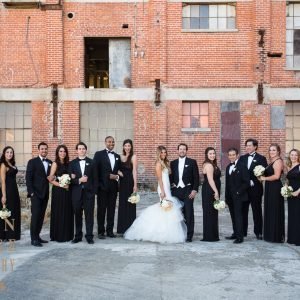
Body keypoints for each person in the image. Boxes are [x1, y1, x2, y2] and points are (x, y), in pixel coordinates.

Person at [124, 146, 187, 243]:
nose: (164, 154)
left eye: (165, 152)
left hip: (167, 187)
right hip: (163, 188)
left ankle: (167, 231)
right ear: (158, 153)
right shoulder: (158, 164)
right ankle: (161, 232)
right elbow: (160, 179)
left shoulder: (165, 163)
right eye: (161, 152)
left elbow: (166, 177)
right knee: (166, 206)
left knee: (167, 208)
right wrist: (162, 191)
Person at [69, 142, 97, 244]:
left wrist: (93, 192)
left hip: (89, 194)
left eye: (83, 148)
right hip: (76, 194)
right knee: (77, 215)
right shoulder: (72, 163)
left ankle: (89, 236)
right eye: (79, 149)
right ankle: (78, 236)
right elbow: (70, 180)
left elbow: (95, 178)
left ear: (86, 150)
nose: (81, 150)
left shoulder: (92, 162)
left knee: (89, 215)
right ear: (77, 150)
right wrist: (79, 180)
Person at [170, 143, 199, 242]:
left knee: (189, 212)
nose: (182, 151)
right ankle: (179, 233)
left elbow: (196, 177)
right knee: (177, 213)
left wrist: (194, 190)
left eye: (184, 149)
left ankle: (189, 235)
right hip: (176, 191)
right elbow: (171, 176)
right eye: (180, 149)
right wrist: (171, 184)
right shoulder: (173, 163)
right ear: (177, 150)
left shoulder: (192, 162)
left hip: (188, 190)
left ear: (186, 151)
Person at [239, 138, 267, 240]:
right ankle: (242, 232)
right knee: (243, 211)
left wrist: (254, 180)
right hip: (244, 190)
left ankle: (258, 232)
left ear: (255, 146)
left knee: (257, 211)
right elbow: (239, 172)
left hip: (256, 189)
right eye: (246, 146)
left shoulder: (261, 158)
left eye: (250, 145)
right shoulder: (242, 158)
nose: (247, 147)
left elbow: (264, 173)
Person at [93, 136, 120, 239]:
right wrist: (98, 185)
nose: (111, 143)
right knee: (101, 210)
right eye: (109, 142)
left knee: (112, 210)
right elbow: (95, 171)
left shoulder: (117, 156)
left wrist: (117, 177)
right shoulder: (99, 154)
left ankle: (110, 231)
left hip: (113, 188)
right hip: (102, 188)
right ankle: (100, 231)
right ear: (105, 143)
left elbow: (119, 171)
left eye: (113, 142)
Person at [26, 142, 52, 247]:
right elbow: (28, 178)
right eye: (42, 149)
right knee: (35, 216)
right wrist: (31, 192)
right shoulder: (32, 162)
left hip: (45, 193)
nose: (44, 150)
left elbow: (51, 176)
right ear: (38, 150)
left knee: (41, 216)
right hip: (35, 194)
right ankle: (33, 239)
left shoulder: (50, 162)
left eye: (45, 149)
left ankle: (38, 236)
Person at [48, 145, 74, 242]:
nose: (62, 153)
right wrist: (61, 185)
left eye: (64, 151)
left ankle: (67, 235)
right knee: (59, 211)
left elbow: (71, 176)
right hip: (58, 191)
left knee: (67, 211)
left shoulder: (69, 164)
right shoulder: (55, 164)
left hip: (68, 191)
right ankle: (58, 235)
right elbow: (50, 179)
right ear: (57, 153)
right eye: (60, 151)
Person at [260, 143, 284, 243]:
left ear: (278, 151)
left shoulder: (278, 161)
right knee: (269, 209)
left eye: (274, 150)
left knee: (274, 210)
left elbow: (277, 176)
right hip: (270, 187)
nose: (272, 152)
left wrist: (264, 178)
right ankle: (269, 234)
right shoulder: (272, 161)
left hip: (275, 187)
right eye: (270, 150)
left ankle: (275, 236)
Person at [225, 148, 250, 244]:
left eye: (233, 154)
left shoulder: (242, 166)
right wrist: (227, 197)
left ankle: (240, 237)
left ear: (237, 155)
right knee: (233, 215)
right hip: (230, 197)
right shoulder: (228, 167)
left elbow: (246, 182)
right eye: (230, 155)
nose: (231, 156)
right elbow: (227, 184)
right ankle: (235, 233)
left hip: (240, 196)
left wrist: (238, 192)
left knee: (239, 216)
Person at [117, 139, 138, 235]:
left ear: (131, 147)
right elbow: (114, 168)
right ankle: (122, 229)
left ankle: (131, 229)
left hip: (130, 181)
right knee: (122, 204)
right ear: (123, 146)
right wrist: (118, 172)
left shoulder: (133, 157)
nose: (127, 147)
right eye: (126, 145)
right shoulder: (119, 156)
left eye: (129, 146)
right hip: (122, 182)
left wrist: (135, 185)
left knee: (130, 204)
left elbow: (134, 171)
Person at [0, 146, 21, 241]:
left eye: (11, 152)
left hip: (14, 191)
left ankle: (13, 234)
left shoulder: (12, 164)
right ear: (4, 154)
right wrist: (4, 195)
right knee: (7, 213)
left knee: (14, 212)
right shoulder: (3, 165)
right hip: (7, 191)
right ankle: (6, 235)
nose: (9, 154)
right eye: (7, 152)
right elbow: (3, 181)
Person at [201, 147, 221, 242]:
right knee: (209, 212)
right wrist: (216, 191)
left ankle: (213, 235)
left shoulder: (213, 164)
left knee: (213, 212)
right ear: (207, 155)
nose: (212, 155)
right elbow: (210, 180)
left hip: (212, 189)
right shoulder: (208, 165)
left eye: (213, 153)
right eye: (210, 154)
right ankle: (209, 236)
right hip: (209, 190)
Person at [286, 149, 300, 246]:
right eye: (292, 155)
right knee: (292, 216)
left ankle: (298, 240)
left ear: (298, 156)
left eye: (296, 155)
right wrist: (286, 188)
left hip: (298, 194)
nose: (293, 157)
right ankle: (292, 238)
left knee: (298, 216)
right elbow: (288, 180)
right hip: (291, 194)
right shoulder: (289, 166)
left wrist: (297, 192)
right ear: (289, 156)